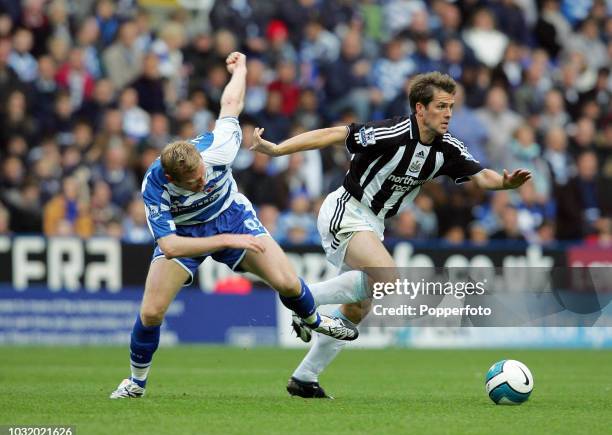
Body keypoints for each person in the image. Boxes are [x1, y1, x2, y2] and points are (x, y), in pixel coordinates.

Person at [250, 71, 532, 398]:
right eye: (441, 106)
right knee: (389, 279)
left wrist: (504, 182)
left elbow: (480, 176)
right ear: (420, 109)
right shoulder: (392, 132)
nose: (448, 113)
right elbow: (335, 134)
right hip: (347, 209)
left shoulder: (447, 149)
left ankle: (304, 378)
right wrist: (277, 150)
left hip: (373, 225)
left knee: (357, 308)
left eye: (451, 106)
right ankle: (302, 299)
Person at [110, 52, 358, 400]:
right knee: (151, 311)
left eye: (202, 174)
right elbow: (169, 247)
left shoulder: (219, 147)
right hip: (186, 234)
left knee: (287, 282)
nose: (202, 180)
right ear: (171, 178)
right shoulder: (155, 185)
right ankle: (135, 382)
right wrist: (223, 240)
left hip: (233, 216)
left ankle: (313, 319)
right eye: (193, 182)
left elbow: (231, 102)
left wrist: (240, 69)